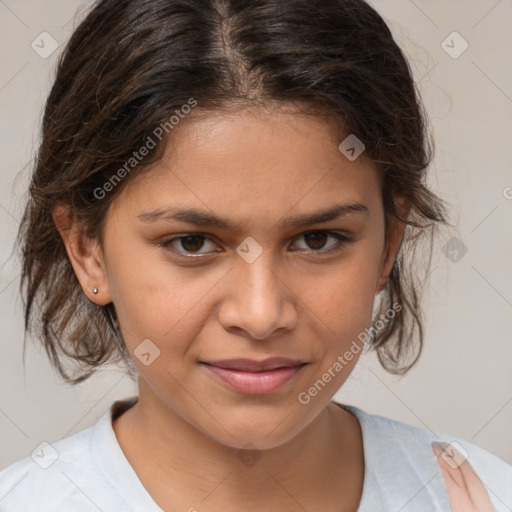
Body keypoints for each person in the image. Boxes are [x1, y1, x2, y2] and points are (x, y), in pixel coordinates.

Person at [0, 0, 510, 510]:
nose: (262, 315)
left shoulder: (485, 493)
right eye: (192, 243)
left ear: (387, 245)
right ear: (87, 251)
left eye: (318, 239)